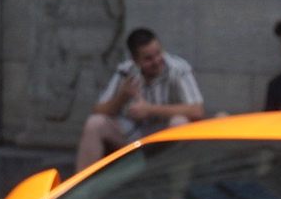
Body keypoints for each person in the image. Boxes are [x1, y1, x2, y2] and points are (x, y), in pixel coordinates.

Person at [77, 28, 205, 169]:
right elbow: (98, 110)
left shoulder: (178, 69)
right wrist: (122, 97)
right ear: (135, 60)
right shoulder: (126, 71)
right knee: (94, 123)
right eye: (148, 59)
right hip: (133, 134)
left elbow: (197, 110)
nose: (157, 61)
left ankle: (178, 188)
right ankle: (82, 188)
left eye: (158, 53)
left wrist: (150, 110)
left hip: (166, 134)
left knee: (179, 123)